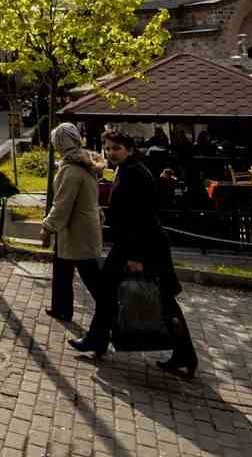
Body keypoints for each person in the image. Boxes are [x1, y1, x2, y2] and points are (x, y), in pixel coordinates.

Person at [70, 130, 198, 378]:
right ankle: (98, 339)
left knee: (161, 300)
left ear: (129, 149)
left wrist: (137, 257)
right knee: (114, 293)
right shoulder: (128, 169)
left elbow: (140, 216)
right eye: (107, 148)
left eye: (116, 148)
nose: (110, 153)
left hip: (141, 246)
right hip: (132, 244)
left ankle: (184, 353)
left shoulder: (135, 173)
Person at [42, 122, 105, 323]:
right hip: (79, 227)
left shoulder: (71, 170)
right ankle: (61, 308)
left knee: (93, 278)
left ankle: (112, 312)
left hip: (77, 231)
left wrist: (47, 227)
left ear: (59, 144)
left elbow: (62, 204)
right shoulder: (85, 163)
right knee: (62, 269)